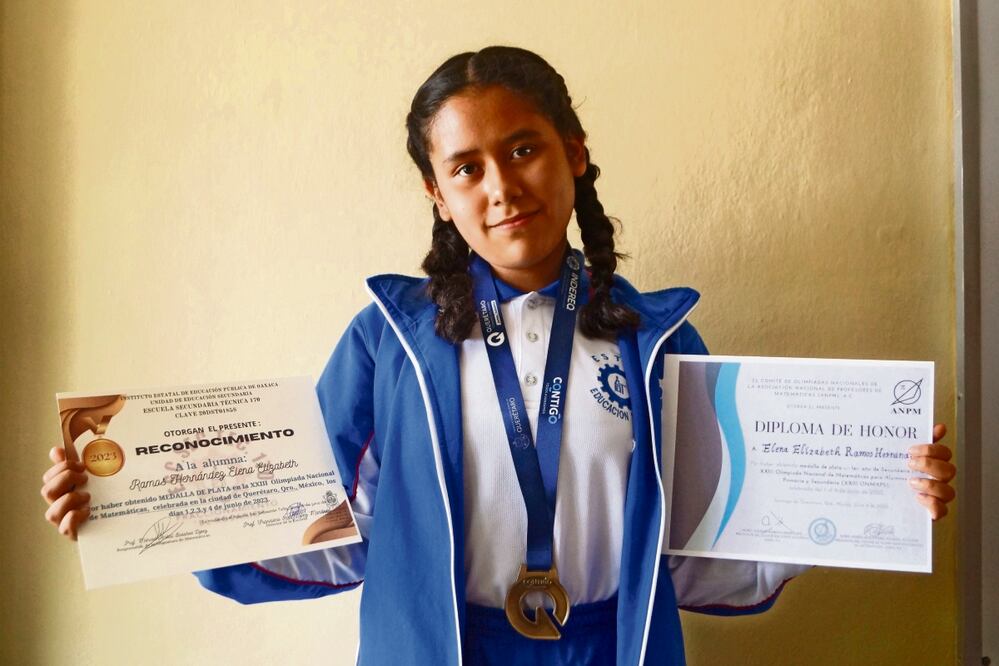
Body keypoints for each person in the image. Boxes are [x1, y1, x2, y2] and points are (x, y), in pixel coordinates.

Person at [41, 46, 957, 665]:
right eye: (466, 167)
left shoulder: (656, 340)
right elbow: (320, 528)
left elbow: (701, 547)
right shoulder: (387, 340)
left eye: (523, 149)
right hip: (438, 649)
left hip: (610, 649)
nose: (501, 186)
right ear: (437, 194)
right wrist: (129, 503)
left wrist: (873, 489)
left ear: (573, 154)